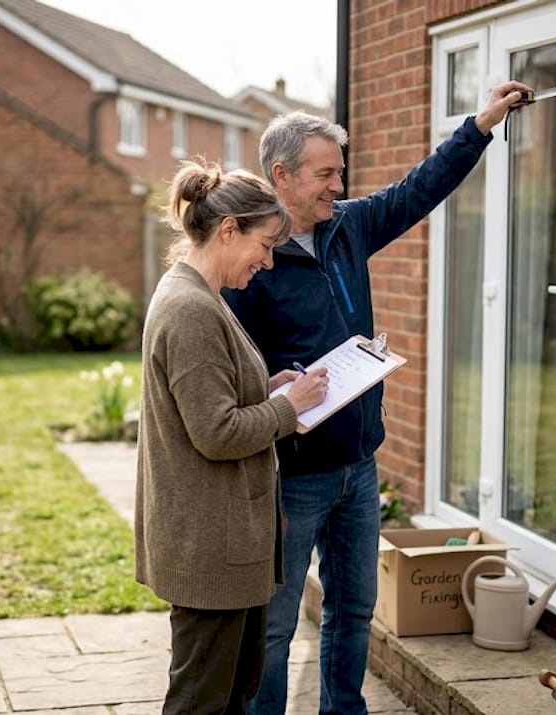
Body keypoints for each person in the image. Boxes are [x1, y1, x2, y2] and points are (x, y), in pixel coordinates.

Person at [221, 81, 533, 714]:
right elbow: (232, 369)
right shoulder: (251, 260)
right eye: (324, 174)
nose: (338, 185)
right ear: (281, 176)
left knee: (355, 610)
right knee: (275, 627)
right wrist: (281, 389)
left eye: (340, 173)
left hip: (359, 466)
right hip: (292, 477)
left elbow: (418, 189)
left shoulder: (348, 227)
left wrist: (480, 124)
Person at [134, 159, 330, 714]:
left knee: (230, 694)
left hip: (220, 543)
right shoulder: (191, 308)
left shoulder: (201, 293)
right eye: (264, 245)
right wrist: (286, 408)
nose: (267, 262)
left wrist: (268, 388)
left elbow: (207, 395)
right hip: (208, 548)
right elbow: (216, 432)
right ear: (227, 231)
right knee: (201, 702)